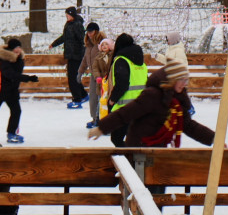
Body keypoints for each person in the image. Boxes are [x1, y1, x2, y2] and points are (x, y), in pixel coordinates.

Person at [87, 56, 215, 149]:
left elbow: (188, 125)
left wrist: (214, 138)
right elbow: (126, 113)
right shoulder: (152, 95)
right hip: (139, 148)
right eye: (181, 79)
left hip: (158, 151)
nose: (184, 84)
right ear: (172, 79)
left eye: (186, 80)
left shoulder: (177, 101)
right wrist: (102, 128)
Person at [104, 32, 148, 147]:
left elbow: (122, 84)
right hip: (140, 107)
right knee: (134, 139)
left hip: (124, 109)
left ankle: (127, 161)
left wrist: (112, 99)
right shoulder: (141, 62)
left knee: (116, 139)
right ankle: (134, 159)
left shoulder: (121, 61)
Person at [0, 38, 38, 144]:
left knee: (16, 111)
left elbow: (16, 76)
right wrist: (28, 78)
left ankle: (11, 134)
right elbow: (11, 75)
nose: (18, 50)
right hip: (2, 90)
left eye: (19, 47)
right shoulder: (5, 60)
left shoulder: (19, 59)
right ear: (10, 49)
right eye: (15, 48)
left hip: (12, 91)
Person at [50, 6, 87, 108]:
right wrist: (54, 44)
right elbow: (64, 37)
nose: (67, 16)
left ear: (72, 15)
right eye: (66, 15)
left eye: (68, 15)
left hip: (77, 55)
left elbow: (82, 39)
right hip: (70, 55)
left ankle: (77, 99)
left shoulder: (77, 25)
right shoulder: (69, 24)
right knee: (73, 76)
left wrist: (83, 52)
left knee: (72, 78)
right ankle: (83, 95)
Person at [77, 22, 103, 127]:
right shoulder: (88, 45)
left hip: (102, 75)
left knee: (101, 98)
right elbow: (85, 60)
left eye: (91, 31)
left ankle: (101, 118)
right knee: (92, 97)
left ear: (96, 31)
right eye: (88, 32)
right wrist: (80, 72)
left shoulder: (102, 44)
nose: (89, 34)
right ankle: (94, 118)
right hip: (93, 75)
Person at [87, 35, 115, 130]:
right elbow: (95, 68)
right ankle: (98, 119)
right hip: (101, 83)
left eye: (106, 44)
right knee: (101, 101)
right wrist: (97, 76)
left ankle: (110, 120)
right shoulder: (98, 57)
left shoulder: (113, 56)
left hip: (110, 82)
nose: (104, 46)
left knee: (110, 101)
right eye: (102, 45)